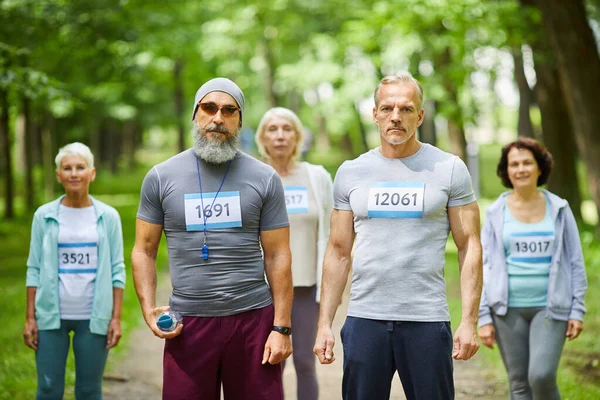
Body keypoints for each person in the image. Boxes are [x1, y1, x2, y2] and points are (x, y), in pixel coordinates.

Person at [313, 73, 483, 400]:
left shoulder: (448, 168)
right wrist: (325, 324)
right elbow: (338, 251)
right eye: (387, 108)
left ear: (419, 116)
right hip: (365, 320)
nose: (396, 116)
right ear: (374, 114)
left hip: (426, 321)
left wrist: (469, 321)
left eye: (406, 109)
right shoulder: (350, 172)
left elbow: (469, 245)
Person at [132, 77, 293, 400]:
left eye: (229, 111)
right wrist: (149, 308)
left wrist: (281, 328)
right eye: (209, 108)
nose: (218, 118)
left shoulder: (264, 178)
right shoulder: (161, 177)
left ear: (239, 120)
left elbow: (278, 255)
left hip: (252, 321)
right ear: (195, 115)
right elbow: (144, 250)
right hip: (189, 325)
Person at [478, 137, 587, 399]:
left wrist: (577, 309)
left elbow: (575, 261)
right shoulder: (495, 212)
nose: (521, 169)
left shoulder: (559, 208)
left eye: (527, 162)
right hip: (506, 310)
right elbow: (485, 266)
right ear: (507, 171)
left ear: (540, 167)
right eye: (514, 164)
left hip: (550, 308)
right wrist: (483, 316)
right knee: (518, 383)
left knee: (541, 375)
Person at [23, 142, 125, 399]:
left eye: (80, 167)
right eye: (67, 168)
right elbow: (33, 267)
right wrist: (30, 317)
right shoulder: (43, 215)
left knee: (89, 390)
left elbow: (117, 269)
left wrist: (115, 318)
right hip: (50, 316)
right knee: (47, 388)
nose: (74, 173)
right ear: (58, 175)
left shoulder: (108, 217)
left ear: (92, 173)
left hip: (94, 317)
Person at [255, 107, 333, 400]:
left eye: (287, 129)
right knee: (269, 361)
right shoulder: (255, 176)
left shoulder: (317, 177)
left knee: (304, 360)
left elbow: (331, 231)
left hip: (304, 289)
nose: (280, 136)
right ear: (262, 137)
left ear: (298, 136)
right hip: (263, 291)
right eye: (272, 129)